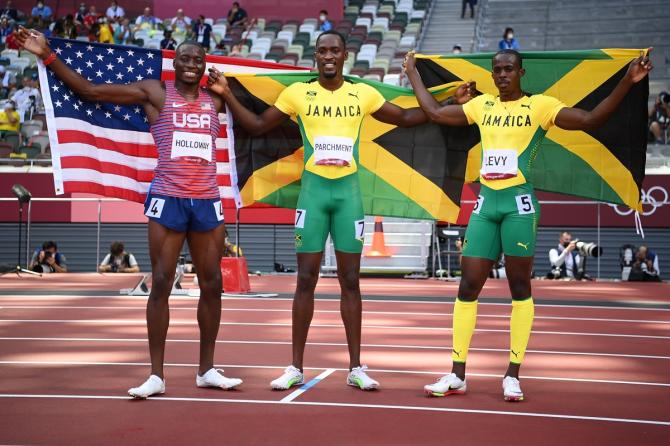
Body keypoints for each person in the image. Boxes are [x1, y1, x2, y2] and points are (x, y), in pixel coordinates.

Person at [208, 30, 471, 391]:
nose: (328, 56)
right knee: (305, 281)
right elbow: (254, 126)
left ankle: (355, 367)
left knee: (350, 281)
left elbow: (407, 118)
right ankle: (295, 367)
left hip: (348, 197)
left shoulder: (362, 93)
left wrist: (436, 95)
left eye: (335, 50)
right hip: (313, 197)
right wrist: (225, 94)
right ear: (314, 56)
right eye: (322, 51)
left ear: (345, 55)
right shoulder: (298, 93)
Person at [405, 48, 652, 401]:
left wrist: (627, 81)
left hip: (519, 205)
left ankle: (512, 374)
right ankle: (457, 373)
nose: (502, 75)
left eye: (508, 69)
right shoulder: (482, 106)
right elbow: (433, 112)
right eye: (497, 71)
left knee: (520, 288)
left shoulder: (540, 107)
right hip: (486, 203)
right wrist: (412, 70)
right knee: (467, 286)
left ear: (521, 72)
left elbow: (590, 119)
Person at [17, 27, 243, 398]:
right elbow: (90, 91)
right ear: (175, 63)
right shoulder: (155, 92)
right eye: (184, 58)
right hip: (168, 197)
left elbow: (261, 111)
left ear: (205, 66)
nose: (191, 64)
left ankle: (207, 369)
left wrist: (229, 92)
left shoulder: (215, 100)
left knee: (213, 285)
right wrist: (47, 55)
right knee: (161, 282)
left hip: (207, 199)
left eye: (197, 60)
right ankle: (157, 375)